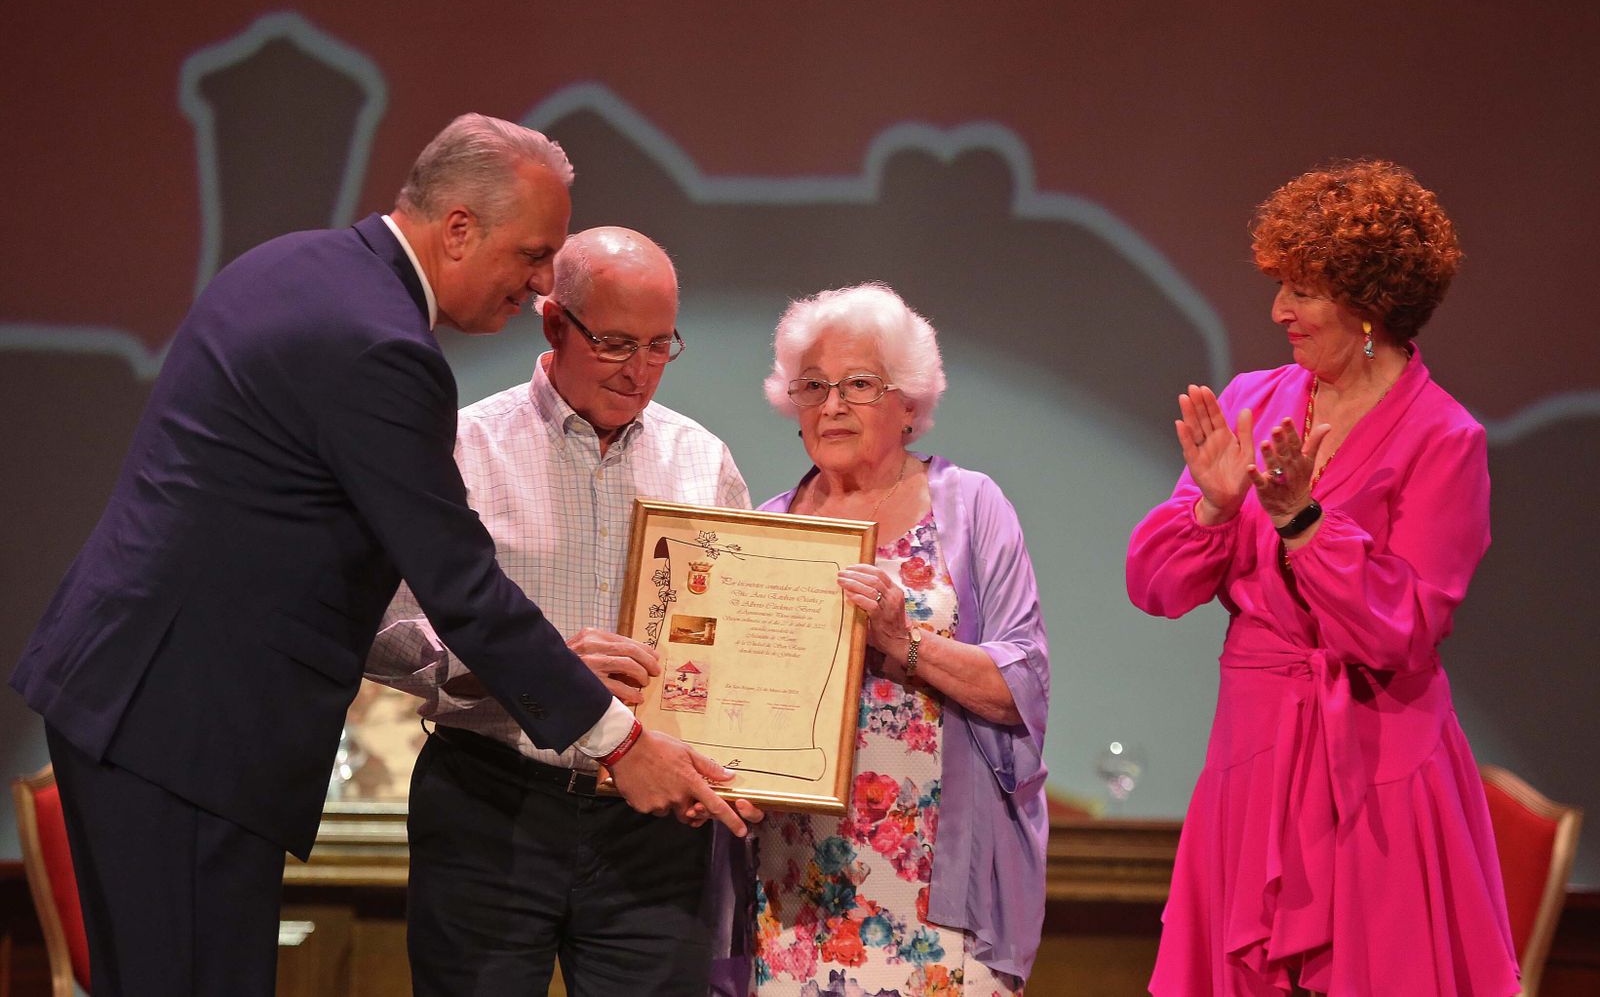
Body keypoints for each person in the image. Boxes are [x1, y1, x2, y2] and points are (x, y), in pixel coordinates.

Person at [10, 115, 747, 997]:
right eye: (533, 252)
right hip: (191, 724)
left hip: (139, 699)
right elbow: (463, 587)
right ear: (460, 228)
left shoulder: (292, 266)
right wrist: (621, 741)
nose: (544, 281)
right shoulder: (384, 348)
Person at [1126, 159, 1517, 996]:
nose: (1279, 312)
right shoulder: (1252, 400)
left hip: (1376, 767)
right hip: (1255, 749)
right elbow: (1154, 586)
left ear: (1368, 304)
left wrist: (1304, 520)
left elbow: (1400, 630)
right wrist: (1214, 509)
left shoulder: (1445, 439)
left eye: (1301, 290)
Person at [367, 225, 756, 995]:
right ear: (554, 322)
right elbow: (380, 628)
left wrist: (727, 748)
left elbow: (731, 647)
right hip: (491, 803)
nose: (640, 370)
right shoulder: (463, 446)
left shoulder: (701, 460)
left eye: (659, 345)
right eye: (615, 343)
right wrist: (528, 675)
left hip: (650, 831)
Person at [737, 283, 1050, 994]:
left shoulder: (970, 507)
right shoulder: (769, 524)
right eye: (812, 385)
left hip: (939, 890)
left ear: (909, 403)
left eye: (859, 384)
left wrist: (902, 640)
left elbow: (1022, 684)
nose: (832, 404)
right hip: (793, 887)